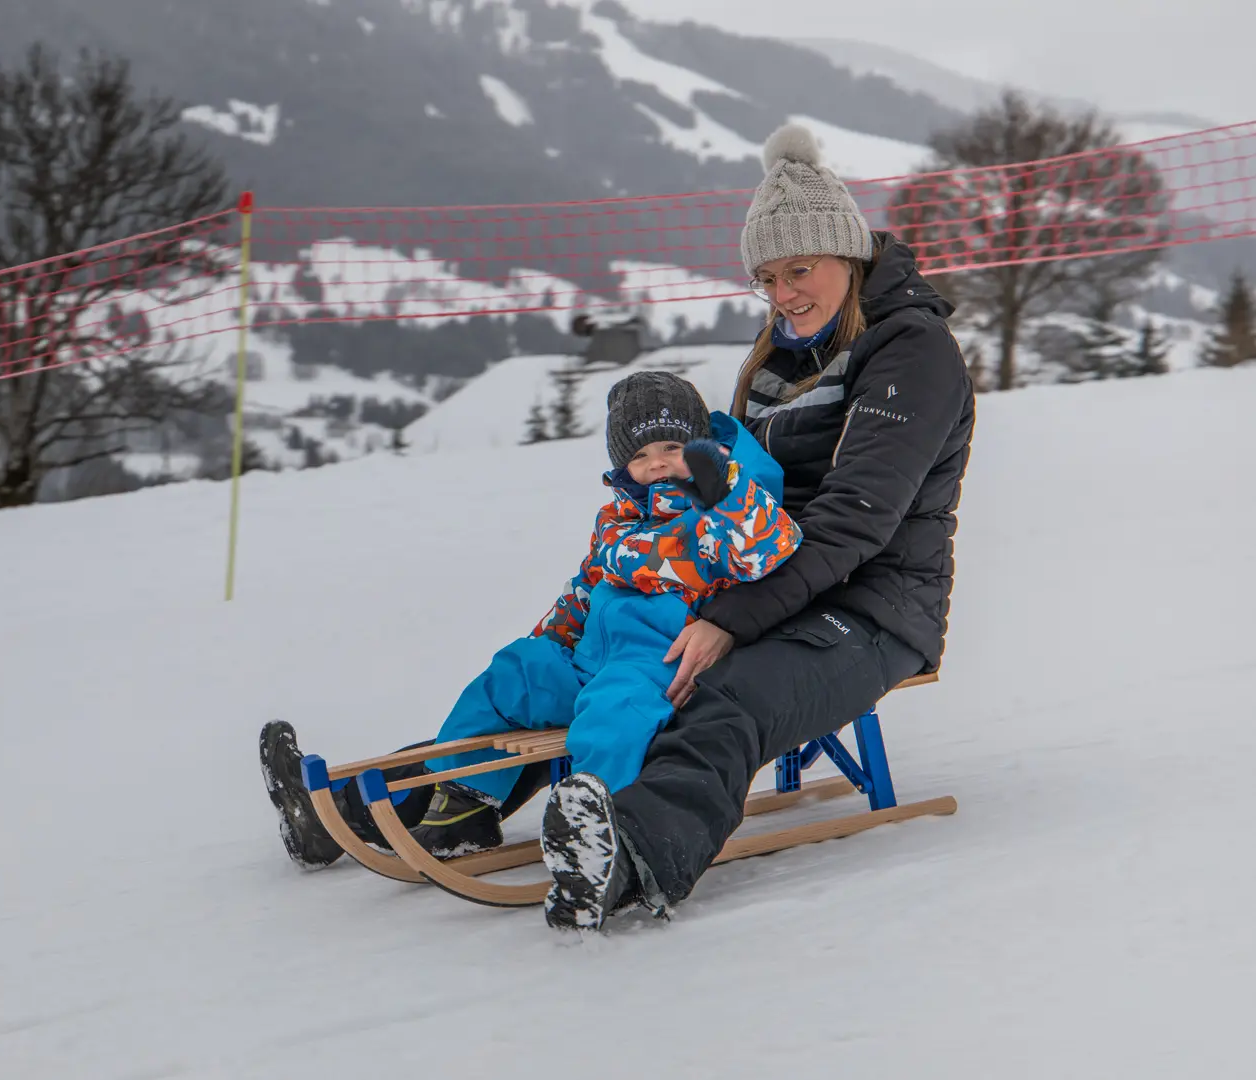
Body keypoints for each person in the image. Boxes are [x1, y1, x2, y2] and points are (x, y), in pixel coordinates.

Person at [535, 122, 977, 931]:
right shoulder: (783, 352)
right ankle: (441, 801)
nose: (784, 294)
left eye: (799, 269)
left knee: (723, 698)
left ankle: (633, 854)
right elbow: (737, 495)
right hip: (767, 581)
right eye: (768, 278)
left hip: (874, 605)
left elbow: (853, 524)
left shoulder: (912, 354)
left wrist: (728, 621)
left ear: (847, 253)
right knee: (608, 659)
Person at [259, 371, 803, 869]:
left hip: (658, 667)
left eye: (672, 448)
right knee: (514, 672)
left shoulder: (717, 510)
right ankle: (462, 810)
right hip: (590, 659)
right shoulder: (618, 516)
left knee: (610, 716)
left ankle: (605, 832)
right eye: (641, 454)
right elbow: (586, 586)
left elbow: (767, 549)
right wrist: (550, 641)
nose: (658, 463)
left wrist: (725, 495)